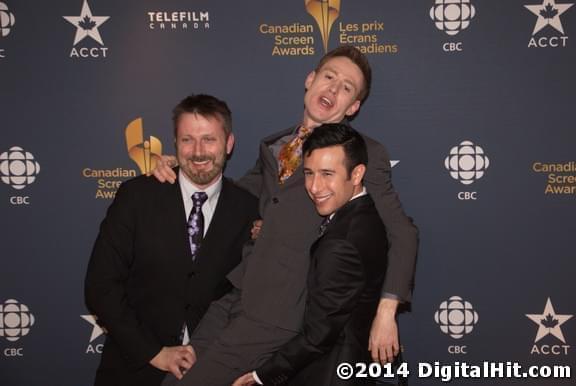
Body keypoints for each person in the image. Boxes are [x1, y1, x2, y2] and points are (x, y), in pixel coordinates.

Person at [157, 45, 418, 385]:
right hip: (235, 296)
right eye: (329, 77)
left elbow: (402, 231)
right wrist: (184, 166)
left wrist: (387, 311)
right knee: (179, 372)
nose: (333, 88)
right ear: (310, 80)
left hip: (280, 314)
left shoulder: (364, 152)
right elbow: (231, 193)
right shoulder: (275, 146)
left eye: (346, 87)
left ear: (352, 107)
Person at [84, 94, 258, 386]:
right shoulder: (137, 197)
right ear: (175, 145)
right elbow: (100, 287)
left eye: (209, 139)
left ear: (229, 144)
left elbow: (248, 298)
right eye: (188, 140)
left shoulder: (249, 209)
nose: (198, 151)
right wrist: (154, 353)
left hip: (213, 372)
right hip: (132, 369)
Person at [234, 123, 390, 386]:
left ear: (357, 173)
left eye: (327, 174)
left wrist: (261, 376)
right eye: (308, 173)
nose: (315, 187)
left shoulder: (341, 244)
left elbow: (318, 336)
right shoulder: (368, 213)